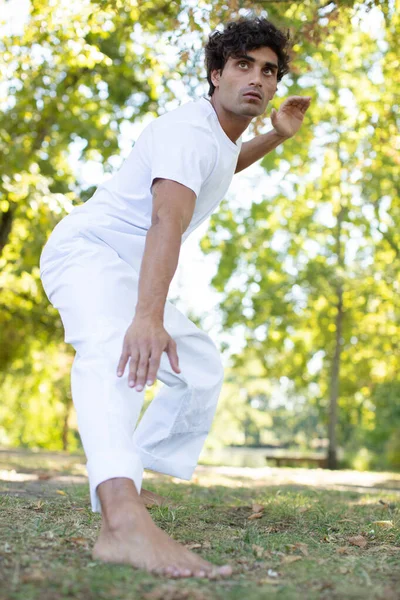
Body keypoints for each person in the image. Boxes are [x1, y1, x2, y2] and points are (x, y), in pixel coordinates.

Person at [39, 16, 311, 579]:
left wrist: (277, 136)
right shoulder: (189, 133)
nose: (257, 79)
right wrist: (146, 317)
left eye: (269, 70)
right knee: (118, 352)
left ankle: (132, 477)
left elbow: (222, 165)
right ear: (216, 73)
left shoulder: (215, 137)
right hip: (88, 252)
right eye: (243, 65)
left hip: (127, 261)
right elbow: (166, 219)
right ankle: (121, 520)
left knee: (199, 366)